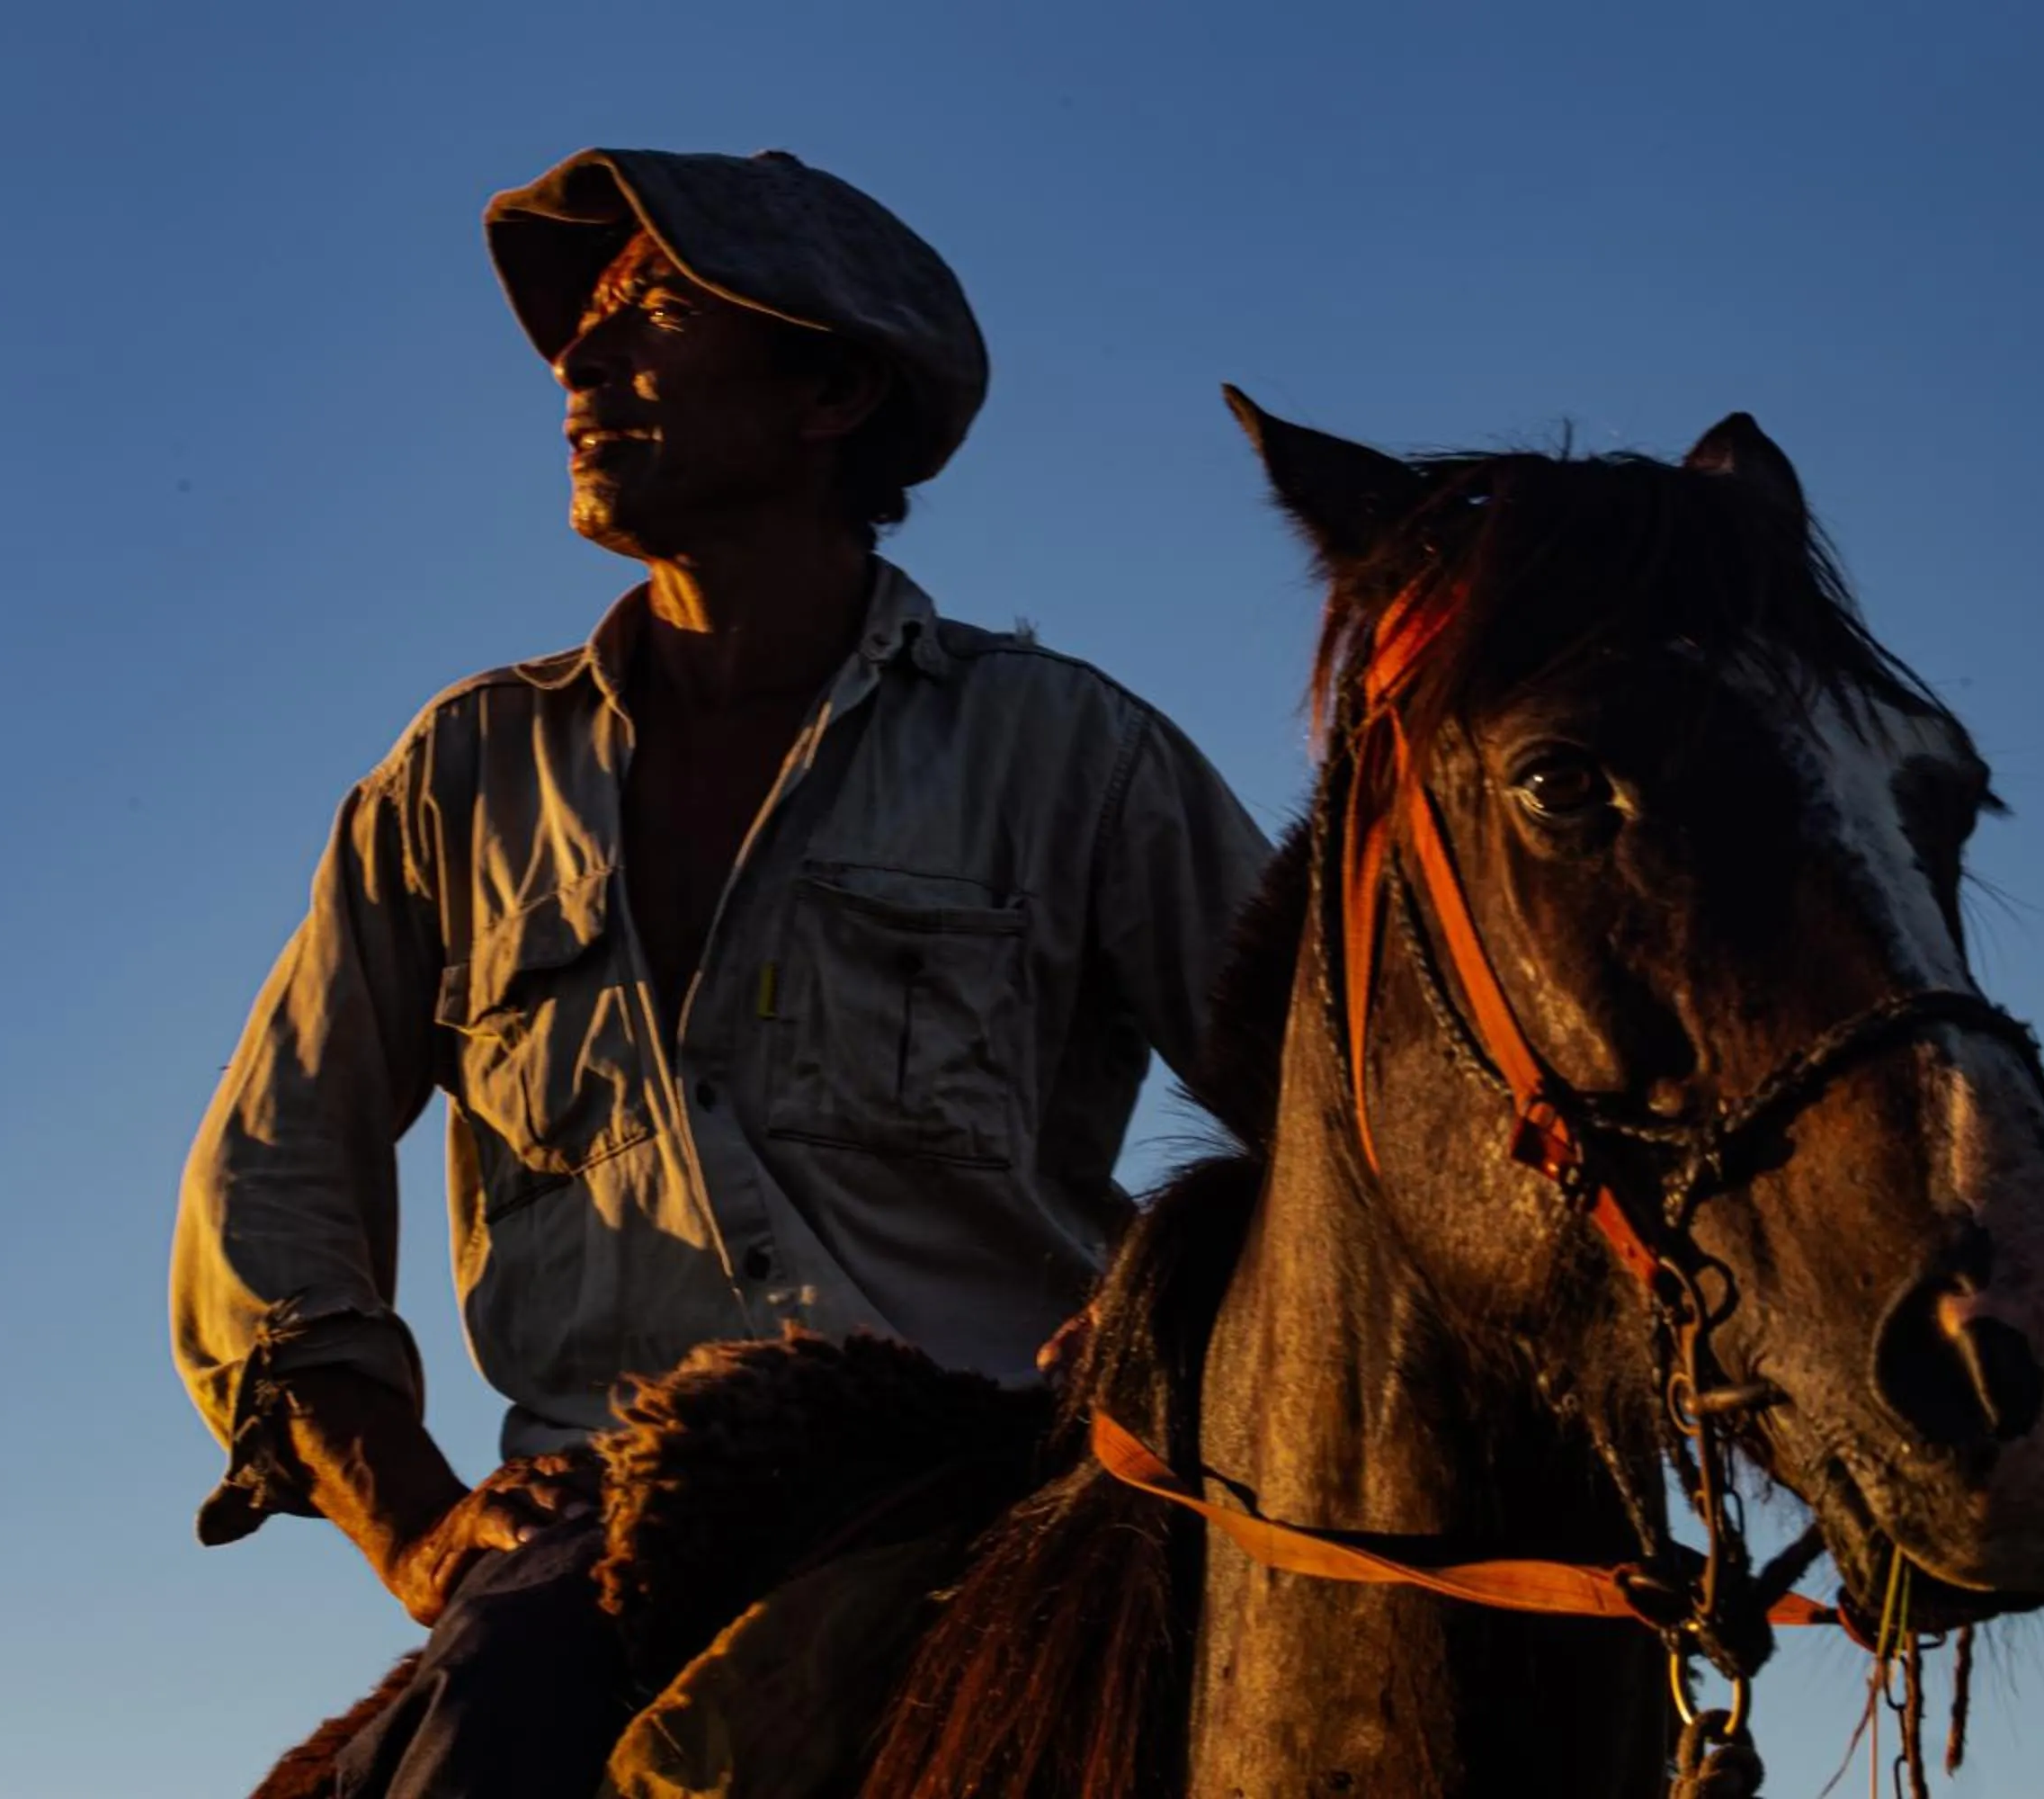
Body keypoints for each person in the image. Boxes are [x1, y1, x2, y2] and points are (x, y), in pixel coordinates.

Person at [171, 146, 1268, 1797]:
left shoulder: (1072, 753)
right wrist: (413, 1524)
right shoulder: (464, 774)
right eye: (581, 330)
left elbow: (1345, 1104)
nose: (579, 365)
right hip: (606, 1532)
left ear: (832, 388)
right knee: (495, 1726)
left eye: (653, 312)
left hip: (1009, 1491)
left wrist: (1171, 1342)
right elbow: (270, 1180)